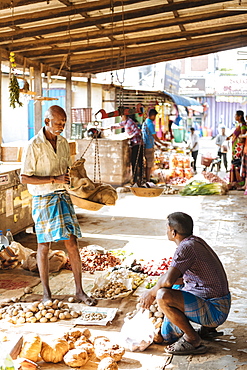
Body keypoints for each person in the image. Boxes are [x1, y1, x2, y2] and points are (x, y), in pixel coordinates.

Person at [20, 105, 97, 306]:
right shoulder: (33, 145)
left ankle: (80, 291)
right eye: (57, 123)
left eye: (63, 123)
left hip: (62, 196)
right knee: (44, 246)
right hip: (43, 199)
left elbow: (67, 171)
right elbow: (24, 178)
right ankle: (46, 293)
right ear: (47, 122)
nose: (61, 127)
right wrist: (54, 179)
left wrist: (76, 180)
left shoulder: (63, 143)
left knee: (72, 243)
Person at [140, 212, 231, 355]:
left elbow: (168, 280)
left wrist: (151, 293)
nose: (166, 231)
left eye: (167, 228)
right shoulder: (195, 242)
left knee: (162, 296)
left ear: (173, 232)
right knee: (171, 287)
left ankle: (192, 339)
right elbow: (178, 278)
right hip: (218, 302)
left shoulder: (185, 248)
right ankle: (206, 329)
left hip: (216, 310)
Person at [112, 114, 143, 185]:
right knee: (135, 162)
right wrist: (107, 128)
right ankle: (136, 179)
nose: (121, 118)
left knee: (136, 162)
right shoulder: (125, 122)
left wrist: (131, 136)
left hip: (137, 144)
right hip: (134, 144)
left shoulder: (130, 122)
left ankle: (137, 179)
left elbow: (137, 131)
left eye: (122, 116)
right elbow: (118, 125)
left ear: (125, 116)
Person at [142, 109, 166, 182]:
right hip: (149, 147)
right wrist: (162, 143)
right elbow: (154, 136)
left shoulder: (145, 122)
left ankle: (146, 178)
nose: (155, 118)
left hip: (145, 145)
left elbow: (148, 136)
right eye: (155, 116)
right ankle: (148, 180)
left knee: (146, 165)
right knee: (149, 165)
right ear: (152, 115)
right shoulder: (151, 124)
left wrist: (157, 145)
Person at [227, 110, 247, 189]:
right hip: (235, 148)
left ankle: (239, 182)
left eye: (236, 115)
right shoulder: (239, 124)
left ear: (240, 116)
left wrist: (238, 140)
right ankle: (235, 181)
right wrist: (230, 136)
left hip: (238, 149)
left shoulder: (243, 125)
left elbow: (242, 136)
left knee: (237, 164)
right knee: (235, 163)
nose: (235, 117)